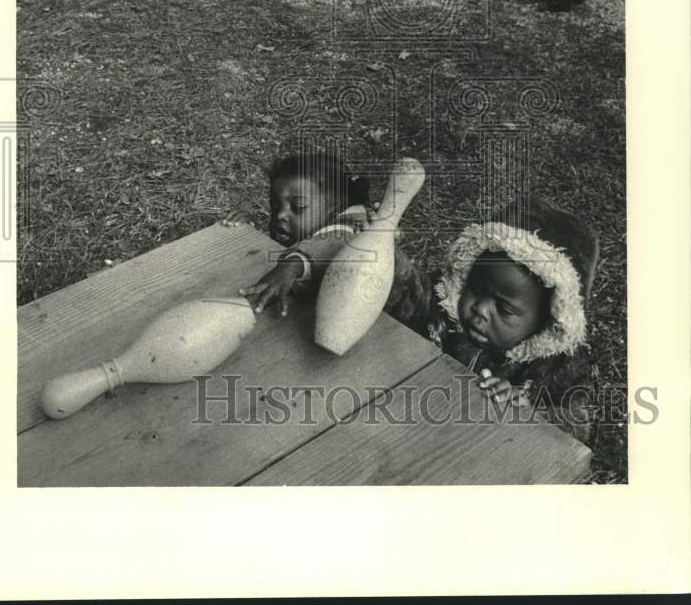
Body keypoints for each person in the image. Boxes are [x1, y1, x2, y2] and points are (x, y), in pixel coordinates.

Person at [428, 194, 600, 444]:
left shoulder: (560, 366)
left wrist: (527, 411)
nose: (480, 310)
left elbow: (576, 427)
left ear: (547, 323)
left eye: (505, 310)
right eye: (476, 289)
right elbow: (402, 292)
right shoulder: (440, 303)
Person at [222, 149, 432, 336]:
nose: (281, 216)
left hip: (412, 323)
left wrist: (292, 266)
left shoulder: (356, 228)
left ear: (335, 209)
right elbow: (292, 248)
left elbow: (332, 242)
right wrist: (250, 232)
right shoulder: (311, 229)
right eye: (275, 206)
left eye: (299, 207)